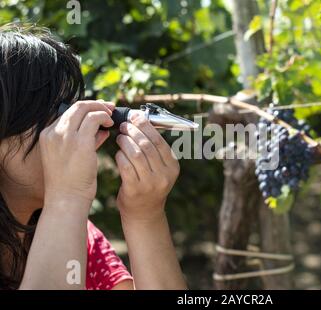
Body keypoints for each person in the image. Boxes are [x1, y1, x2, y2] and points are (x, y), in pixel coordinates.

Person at [0, 24, 186, 290]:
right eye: (52, 111)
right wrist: (65, 198)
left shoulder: (80, 239)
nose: (67, 129)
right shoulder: (66, 217)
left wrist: (145, 217)